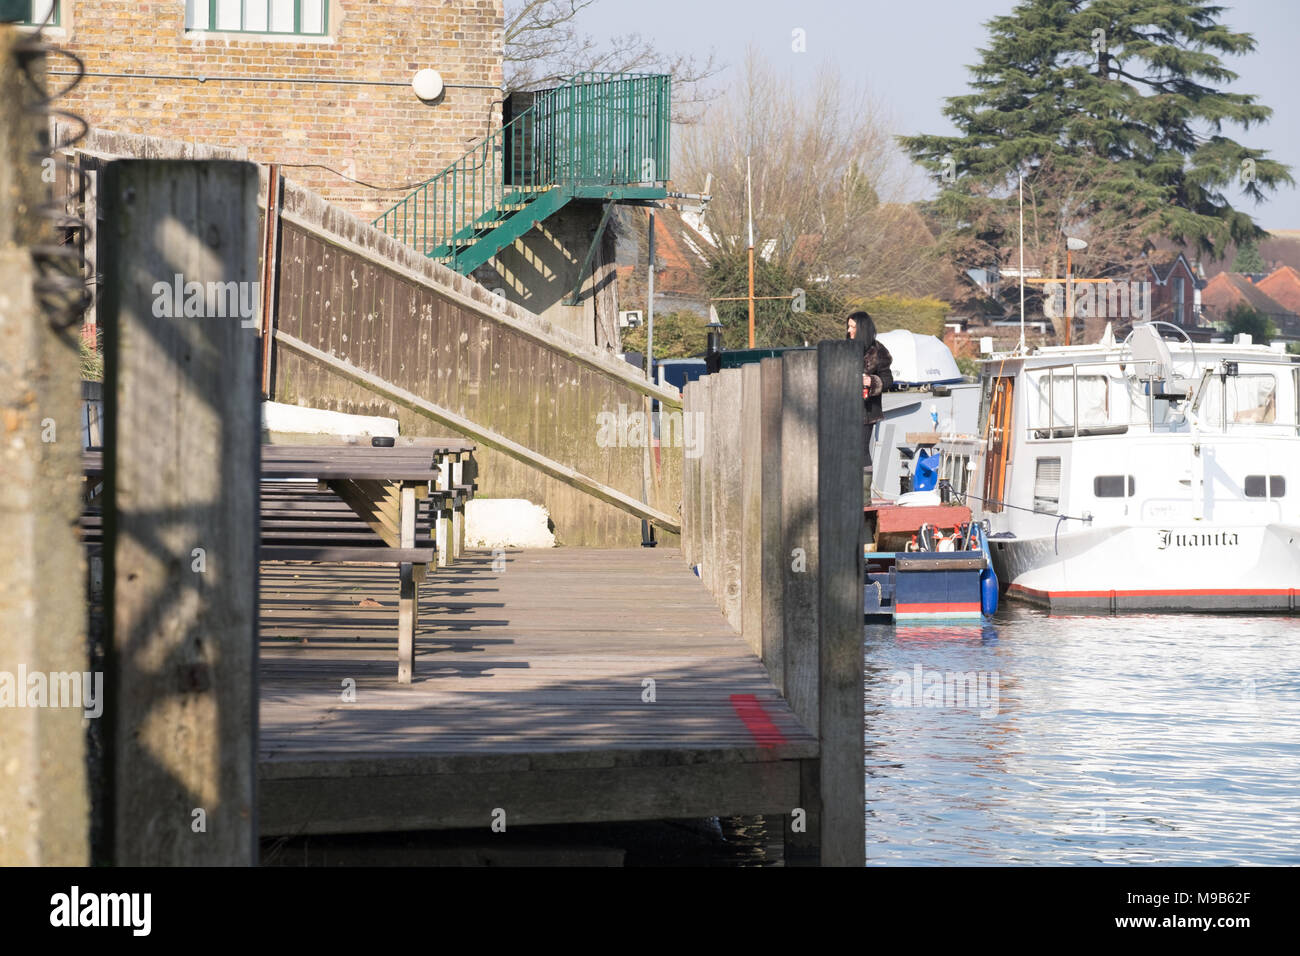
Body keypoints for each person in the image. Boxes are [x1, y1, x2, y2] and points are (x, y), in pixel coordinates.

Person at [846, 310, 893, 498]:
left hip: (867, 411)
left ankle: (864, 497)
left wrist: (871, 382)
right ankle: (847, 492)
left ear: (862, 329)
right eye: (848, 326)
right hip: (844, 409)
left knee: (861, 449)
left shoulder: (878, 351)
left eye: (853, 327)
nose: (849, 331)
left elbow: (888, 381)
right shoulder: (844, 348)